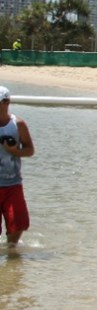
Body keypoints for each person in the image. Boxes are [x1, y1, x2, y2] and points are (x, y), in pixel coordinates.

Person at [0, 87, 35, 248]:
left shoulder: (18, 124)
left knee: (18, 223)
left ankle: (11, 250)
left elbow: (30, 150)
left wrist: (14, 151)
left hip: (13, 183)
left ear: (6, 102)